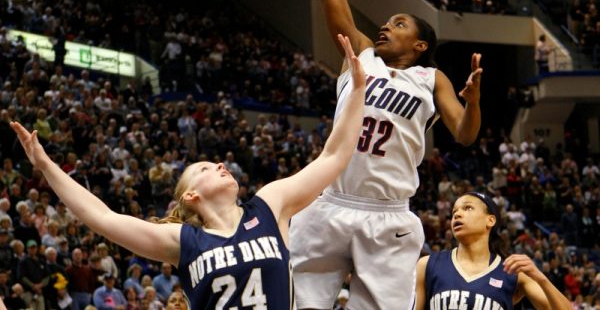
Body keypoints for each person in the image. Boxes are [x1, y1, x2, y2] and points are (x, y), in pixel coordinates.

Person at [9, 34, 366, 309]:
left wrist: (358, 93)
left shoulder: (269, 205)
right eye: (207, 167)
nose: (221, 164)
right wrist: (45, 165)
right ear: (191, 195)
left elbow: (332, 157)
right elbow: (101, 216)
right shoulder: (183, 241)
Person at [289, 0, 483, 309]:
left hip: (389, 215)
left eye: (398, 24)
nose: (385, 27)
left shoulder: (432, 79)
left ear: (420, 45)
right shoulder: (361, 55)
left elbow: (465, 134)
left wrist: (472, 102)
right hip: (331, 202)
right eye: (386, 22)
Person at [415, 192, 571, 310]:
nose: (457, 214)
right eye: (454, 211)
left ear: (490, 220)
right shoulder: (427, 265)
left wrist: (540, 278)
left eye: (467, 208)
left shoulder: (513, 273)